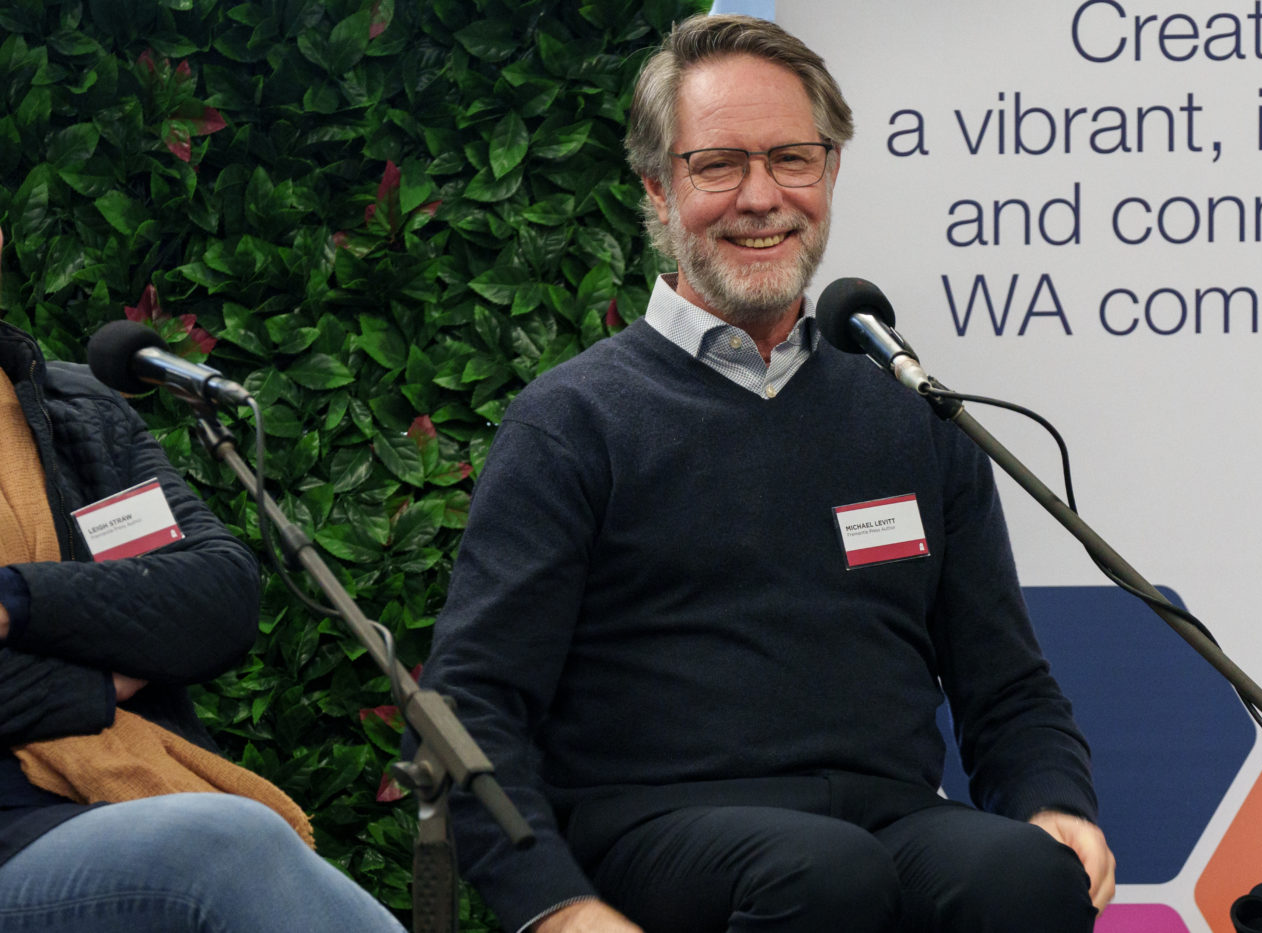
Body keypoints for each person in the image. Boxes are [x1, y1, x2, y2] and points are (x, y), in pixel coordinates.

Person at [418, 13, 1115, 933]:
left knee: (1026, 873)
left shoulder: (911, 414)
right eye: (719, 166)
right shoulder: (573, 422)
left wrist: (1052, 797)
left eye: (791, 160)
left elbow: (1007, 685)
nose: (762, 197)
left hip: (888, 817)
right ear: (658, 189)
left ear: (830, 173)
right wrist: (554, 907)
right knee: (823, 874)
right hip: (655, 827)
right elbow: (470, 705)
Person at [0, 226, 406, 931]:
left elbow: (216, 596)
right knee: (224, 847)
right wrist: (97, 683)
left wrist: (18, 600)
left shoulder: (75, 408)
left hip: (124, 800)